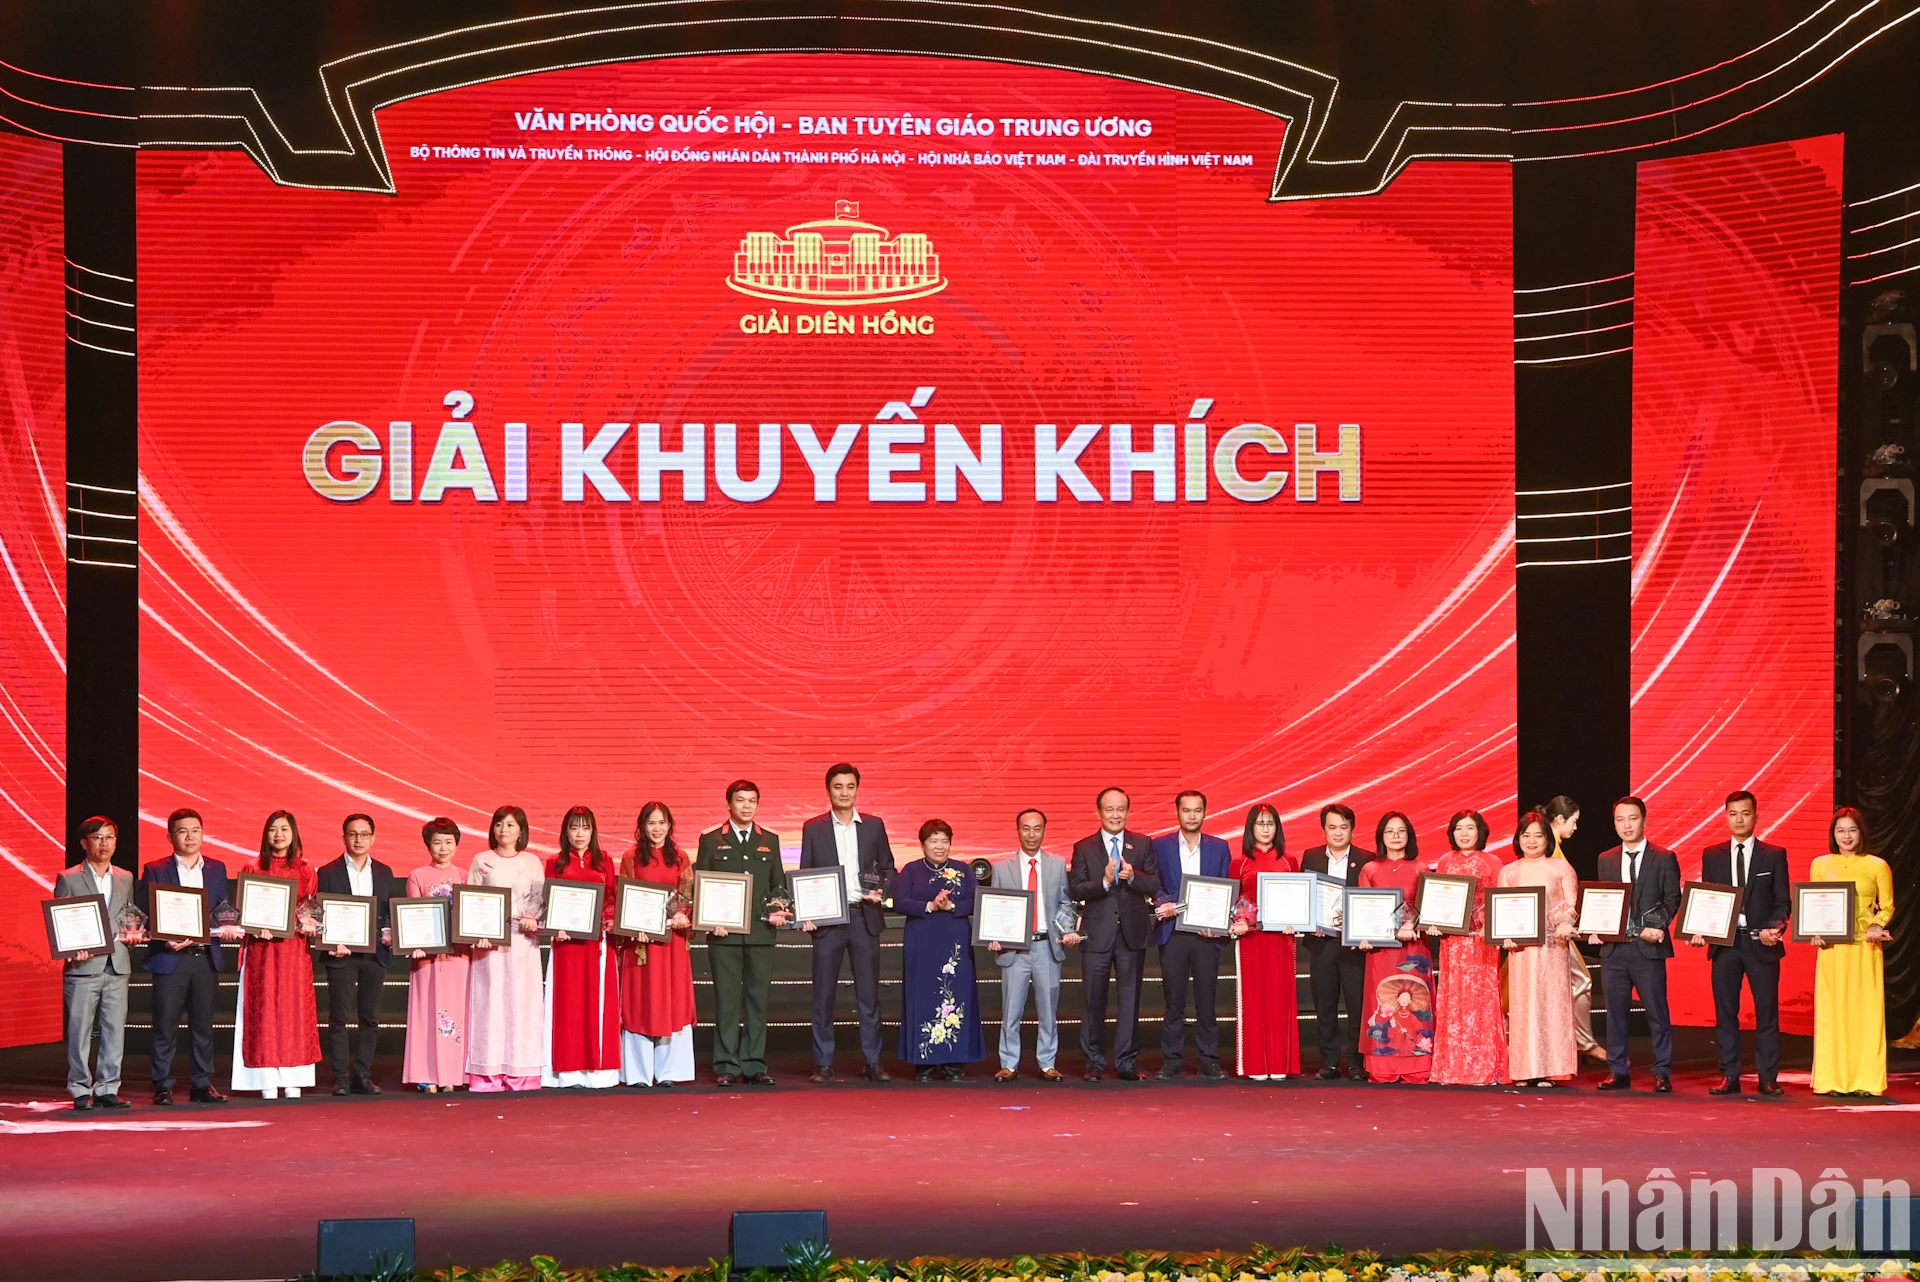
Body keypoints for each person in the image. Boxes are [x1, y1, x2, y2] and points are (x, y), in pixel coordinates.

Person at [798, 763, 896, 1083]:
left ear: (857, 789)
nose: (844, 792)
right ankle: (823, 1062)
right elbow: (806, 875)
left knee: (868, 996)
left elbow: (889, 869)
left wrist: (882, 890)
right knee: (823, 994)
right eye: (838, 786)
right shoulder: (813, 827)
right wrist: (807, 911)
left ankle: (873, 1061)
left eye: (850, 786)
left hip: (864, 917)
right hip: (828, 921)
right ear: (828, 790)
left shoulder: (873, 825)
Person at [1692, 791, 1790, 1097]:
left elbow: (1782, 903)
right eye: (1733, 813)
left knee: (1766, 1013)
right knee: (1725, 1012)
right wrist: (1700, 930)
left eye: (1745, 813)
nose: (1739, 819)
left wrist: (1774, 928)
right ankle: (1729, 1075)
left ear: (1756, 816)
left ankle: (1768, 1077)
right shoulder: (1713, 854)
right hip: (1725, 945)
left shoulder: (1773, 854)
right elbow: (1708, 900)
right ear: (1726, 816)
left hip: (1761, 944)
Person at [695, 780, 789, 1086]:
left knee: (757, 1000)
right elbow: (701, 884)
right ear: (729, 804)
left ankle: (753, 1064)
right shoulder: (711, 840)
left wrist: (778, 908)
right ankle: (726, 1065)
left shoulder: (770, 840)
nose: (746, 806)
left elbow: (778, 884)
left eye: (752, 801)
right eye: (740, 800)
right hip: (724, 935)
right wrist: (709, 920)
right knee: (726, 1000)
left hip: (761, 933)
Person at [1068, 787, 1161, 1081]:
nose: (1115, 815)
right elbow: (1076, 888)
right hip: (1097, 935)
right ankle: (1094, 1062)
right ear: (1098, 813)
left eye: (1121, 809)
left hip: (1132, 935)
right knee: (1093, 999)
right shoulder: (1083, 847)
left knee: (1130, 1000)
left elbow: (1155, 883)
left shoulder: (1143, 843)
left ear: (1128, 812)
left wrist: (1133, 877)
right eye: (1109, 809)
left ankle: (1126, 1062)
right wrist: (1105, 881)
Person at [141, 808, 232, 1105]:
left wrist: (228, 926)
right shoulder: (155, 868)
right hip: (171, 957)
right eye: (182, 831)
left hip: (205, 957)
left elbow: (221, 910)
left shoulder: (217, 869)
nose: (190, 836)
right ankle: (162, 1085)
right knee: (165, 1024)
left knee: (203, 1024)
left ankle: (202, 1084)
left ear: (203, 833)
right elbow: (146, 913)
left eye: (195, 830)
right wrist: (166, 938)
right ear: (170, 836)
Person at [1590, 795, 1680, 1092]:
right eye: (1620, 820)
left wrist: (1656, 926)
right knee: (1615, 1013)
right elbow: (1604, 901)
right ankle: (1618, 1070)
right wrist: (1596, 927)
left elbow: (1672, 899)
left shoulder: (1664, 857)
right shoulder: (1606, 858)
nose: (1626, 825)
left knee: (1657, 1011)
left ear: (1644, 820)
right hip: (1615, 949)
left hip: (1648, 948)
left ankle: (1662, 1071)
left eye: (1632, 818)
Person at [231, 810, 321, 1099]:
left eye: (284, 829)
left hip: (293, 952)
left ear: (294, 833)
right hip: (262, 952)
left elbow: (311, 910)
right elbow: (241, 911)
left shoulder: (307, 870)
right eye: (272, 829)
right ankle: (266, 1079)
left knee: (293, 1013)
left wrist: (309, 924)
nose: (278, 835)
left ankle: (294, 1080)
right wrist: (255, 927)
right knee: (264, 1012)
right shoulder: (253, 866)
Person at [1809, 807, 1895, 1097]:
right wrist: (1815, 931)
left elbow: (1888, 905)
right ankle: (1831, 1079)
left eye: (1852, 830)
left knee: (1865, 1013)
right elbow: (1815, 904)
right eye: (1840, 830)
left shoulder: (1877, 865)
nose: (1846, 836)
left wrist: (1876, 924)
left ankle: (1866, 1080)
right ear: (1833, 834)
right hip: (1832, 949)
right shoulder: (1820, 864)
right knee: (1832, 1012)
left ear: (1861, 833)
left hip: (1864, 948)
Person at [989, 808, 1079, 1081]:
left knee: (1048, 1011)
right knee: (1010, 1010)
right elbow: (994, 906)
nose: (1031, 834)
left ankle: (1047, 1063)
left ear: (1044, 830)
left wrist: (1068, 929)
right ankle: (1009, 1063)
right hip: (1015, 949)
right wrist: (993, 934)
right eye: (1026, 828)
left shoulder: (1057, 864)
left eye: (1037, 828)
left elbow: (1065, 903)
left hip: (1046, 947)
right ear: (1017, 830)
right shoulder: (1001, 868)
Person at [1150, 790, 1233, 1079]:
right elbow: (1154, 884)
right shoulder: (1159, 846)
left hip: (1206, 932)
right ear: (1178, 813)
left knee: (1207, 998)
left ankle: (1208, 1058)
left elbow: (1224, 887)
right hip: (1172, 932)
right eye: (1187, 810)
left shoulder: (1219, 847)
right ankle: (1172, 1060)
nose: (1192, 815)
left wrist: (1220, 919)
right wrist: (1163, 902)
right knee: (1174, 999)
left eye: (1197, 810)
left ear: (1205, 813)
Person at [317, 812, 400, 1096]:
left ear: (373, 838)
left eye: (364, 834)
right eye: (353, 834)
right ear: (344, 837)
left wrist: (391, 932)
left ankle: (363, 1075)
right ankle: (341, 1077)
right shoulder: (327, 872)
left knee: (370, 1018)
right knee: (339, 1018)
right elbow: (319, 915)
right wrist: (330, 941)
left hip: (374, 955)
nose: (359, 839)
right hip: (342, 955)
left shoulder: (385, 872)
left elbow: (389, 913)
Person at [615, 803, 697, 1088]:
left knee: (671, 1003)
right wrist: (634, 925)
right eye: (651, 823)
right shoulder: (631, 857)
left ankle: (670, 1072)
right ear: (642, 827)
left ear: (670, 825)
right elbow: (623, 897)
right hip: (642, 944)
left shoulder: (681, 858)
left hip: (672, 944)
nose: (657, 828)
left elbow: (688, 896)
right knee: (641, 1002)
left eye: (662, 822)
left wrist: (681, 915)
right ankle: (638, 1073)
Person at [896, 819, 984, 1079]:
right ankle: (923, 1064)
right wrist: (930, 906)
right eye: (933, 841)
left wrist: (952, 907)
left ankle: (953, 1064)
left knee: (956, 999)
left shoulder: (962, 870)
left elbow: (977, 902)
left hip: (954, 943)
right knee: (922, 996)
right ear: (923, 844)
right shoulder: (910, 870)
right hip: (922, 942)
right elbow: (899, 902)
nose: (939, 846)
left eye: (944, 841)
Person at [57, 816, 135, 1110]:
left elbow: (129, 916)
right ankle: (78, 1087)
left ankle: (107, 1087)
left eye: (110, 837)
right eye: (98, 837)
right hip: (82, 967)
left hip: (117, 964)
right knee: (79, 1030)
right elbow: (61, 922)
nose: (105, 843)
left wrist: (133, 933)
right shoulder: (69, 878)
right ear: (84, 843)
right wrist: (71, 950)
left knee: (115, 1029)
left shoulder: (125, 877)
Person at [466, 805, 546, 1092]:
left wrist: (532, 917)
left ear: (521, 831)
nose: (504, 830)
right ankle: (487, 1073)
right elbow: (471, 900)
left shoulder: (532, 861)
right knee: (490, 1003)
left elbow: (538, 899)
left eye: (511, 825)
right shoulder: (481, 860)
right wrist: (478, 933)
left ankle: (521, 1072)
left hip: (523, 941)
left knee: (521, 1004)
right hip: (489, 945)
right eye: (499, 824)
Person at [1498, 812, 1580, 1087]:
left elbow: (1571, 905)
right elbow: (1502, 911)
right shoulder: (1508, 871)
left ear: (1547, 838)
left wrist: (1566, 922)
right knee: (1522, 1009)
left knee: (1550, 1007)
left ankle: (1551, 1069)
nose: (1531, 841)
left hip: (1552, 948)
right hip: (1521, 951)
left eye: (1538, 835)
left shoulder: (1560, 868)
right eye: (1526, 835)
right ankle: (1523, 1070)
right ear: (1518, 838)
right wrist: (1504, 936)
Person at [1427, 810, 1507, 1086]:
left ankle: (1485, 1068)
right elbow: (1438, 899)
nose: (1464, 833)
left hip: (1481, 941)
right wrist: (1433, 922)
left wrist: (1491, 925)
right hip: (1452, 943)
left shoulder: (1493, 862)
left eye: (1469, 828)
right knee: (1454, 1000)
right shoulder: (1445, 861)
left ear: (1480, 831)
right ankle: (1452, 1067)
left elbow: (1500, 900)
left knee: (1482, 1002)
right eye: (1458, 828)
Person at [544, 806, 621, 1089]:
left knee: (597, 1003)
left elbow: (611, 898)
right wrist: (555, 924)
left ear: (593, 831)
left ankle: (598, 1071)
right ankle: (568, 1070)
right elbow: (549, 901)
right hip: (566, 945)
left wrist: (607, 921)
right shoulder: (555, 862)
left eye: (585, 828)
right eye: (574, 828)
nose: (580, 834)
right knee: (567, 1004)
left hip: (597, 944)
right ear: (565, 831)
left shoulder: (605, 862)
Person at [1356, 812, 1434, 1083]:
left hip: (1414, 949)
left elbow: (1429, 909)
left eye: (1401, 831)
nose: (1395, 836)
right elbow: (1363, 909)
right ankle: (1383, 1066)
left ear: (1409, 836)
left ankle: (1418, 1064)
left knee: (1416, 1003)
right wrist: (1362, 936)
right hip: (1381, 951)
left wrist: (1418, 924)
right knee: (1383, 1005)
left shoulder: (1421, 867)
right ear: (1381, 837)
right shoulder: (1370, 869)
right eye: (1389, 831)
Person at [1301, 803, 1375, 1080]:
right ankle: (1329, 1063)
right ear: (1324, 830)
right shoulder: (1311, 857)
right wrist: (1310, 924)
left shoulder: (1367, 859)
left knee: (1356, 1006)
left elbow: (1372, 901)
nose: (1338, 833)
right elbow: (1306, 897)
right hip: (1322, 944)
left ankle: (1356, 1064)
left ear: (1352, 829)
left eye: (1344, 827)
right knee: (1325, 1004)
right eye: (1332, 827)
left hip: (1354, 945)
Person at [1228, 803, 1300, 1080]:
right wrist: (1238, 921)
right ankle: (1256, 1064)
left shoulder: (1290, 861)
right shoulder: (1240, 863)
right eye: (1260, 824)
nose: (1266, 829)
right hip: (1251, 939)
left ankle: (1280, 1064)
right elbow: (1234, 901)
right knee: (1254, 998)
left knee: (1280, 998)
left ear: (1278, 827)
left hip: (1282, 939)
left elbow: (1298, 898)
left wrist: (1298, 919)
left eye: (1270, 823)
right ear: (1251, 828)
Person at [402, 817, 469, 1093]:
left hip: (458, 958)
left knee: (457, 1014)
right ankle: (426, 1074)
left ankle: (454, 1075)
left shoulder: (466, 876)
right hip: (426, 958)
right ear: (428, 845)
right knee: (426, 1015)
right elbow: (411, 916)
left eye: (449, 842)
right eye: (437, 842)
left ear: (456, 844)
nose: (443, 847)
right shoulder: (417, 876)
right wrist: (412, 942)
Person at [1544, 796, 1606, 1063]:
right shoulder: (1551, 851)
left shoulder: (1554, 848)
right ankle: (1583, 1042)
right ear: (1559, 820)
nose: (1576, 828)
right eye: (1574, 821)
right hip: (1551, 933)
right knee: (1580, 981)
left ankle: (1574, 1041)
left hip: (1551, 931)